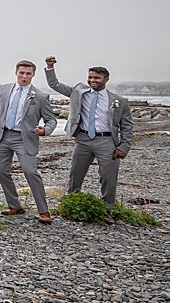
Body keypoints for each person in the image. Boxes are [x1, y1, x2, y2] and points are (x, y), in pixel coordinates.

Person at [44, 57, 134, 225]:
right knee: (75, 174)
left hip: (106, 141)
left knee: (108, 177)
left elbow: (127, 126)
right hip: (83, 139)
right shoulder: (79, 91)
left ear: (106, 80)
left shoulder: (119, 101)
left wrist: (124, 146)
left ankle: (107, 210)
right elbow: (55, 85)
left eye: (97, 78)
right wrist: (50, 67)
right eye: (90, 77)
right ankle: (70, 205)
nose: (92, 81)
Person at [0, 60, 58, 224]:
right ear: (16, 72)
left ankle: (44, 211)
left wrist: (45, 130)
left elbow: (51, 120)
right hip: (2, 135)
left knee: (30, 171)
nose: (24, 76)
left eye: (28, 73)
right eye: (22, 73)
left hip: (24, 138)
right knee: (2, 171)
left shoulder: (40, 96)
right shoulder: (3, 89)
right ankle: (14, 205)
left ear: (33, 75)